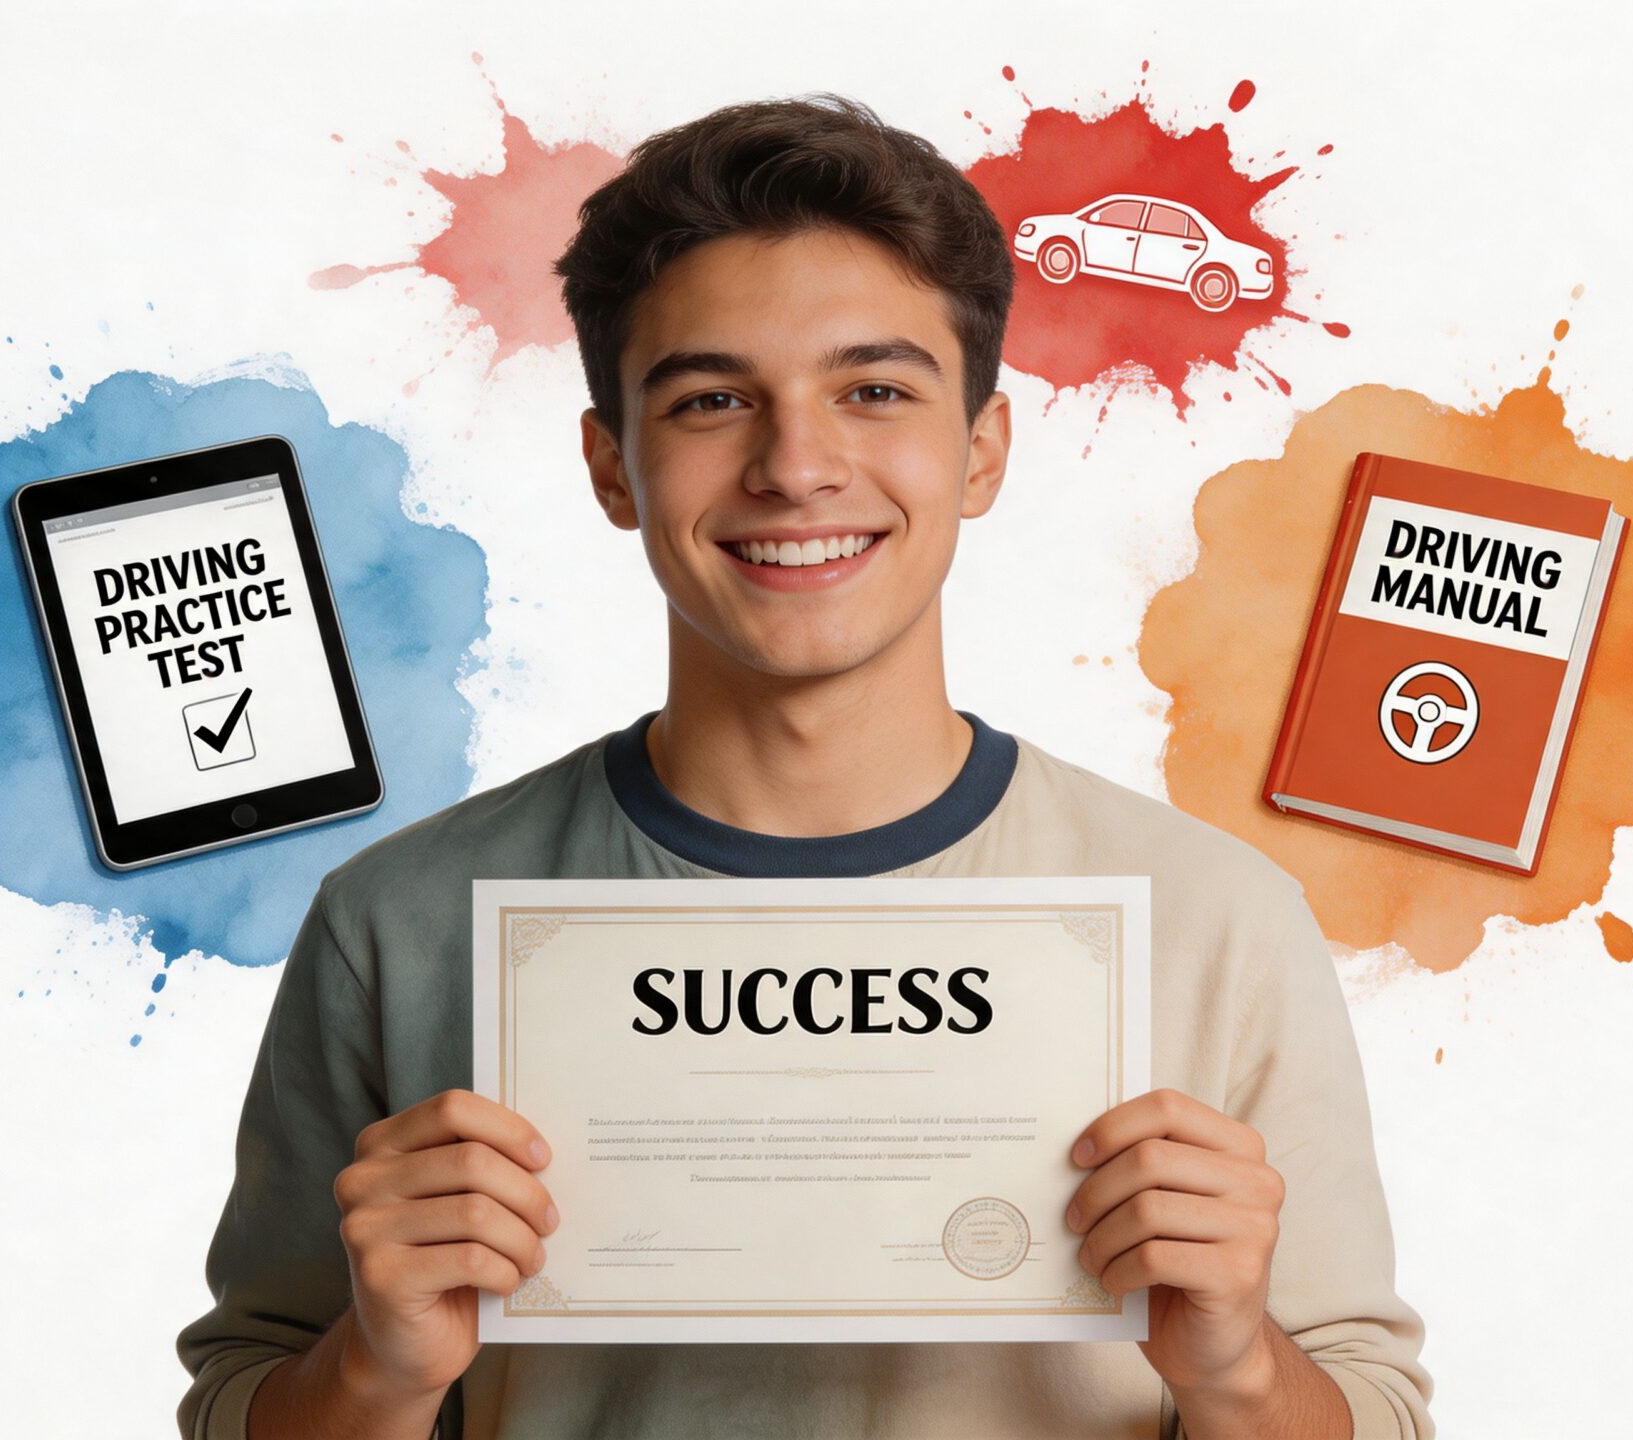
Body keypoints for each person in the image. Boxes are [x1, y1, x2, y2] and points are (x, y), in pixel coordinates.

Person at [175, 92, 1434, 1439]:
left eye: (875, 390)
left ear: (982, 450)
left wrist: (1238, 1368)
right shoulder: (403, 920)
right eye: (713, 399)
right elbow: (245, 1397)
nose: (796, 465)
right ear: (613, 466)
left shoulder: (1215, 919)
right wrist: (376, 1370)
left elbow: (1372, 1408)